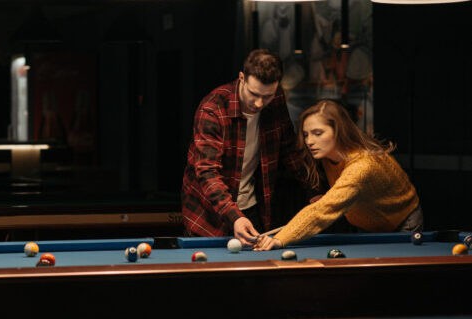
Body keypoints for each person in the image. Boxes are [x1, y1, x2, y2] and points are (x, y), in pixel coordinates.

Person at [254, 99, 423, 251]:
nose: (309, 141)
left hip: (401, 221)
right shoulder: (328, 155)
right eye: (306, 134)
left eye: (318, 133)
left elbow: (322, 210)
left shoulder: (362, 167)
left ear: (339, 131)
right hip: (367, 222)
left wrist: (279, 239)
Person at [181, 49, 305, 247]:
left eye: (267, 96)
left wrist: (315, 190)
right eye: (254, 94)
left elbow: (289, 150)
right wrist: (235, 216)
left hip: (253, 210)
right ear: (242, 78)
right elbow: (207, 171)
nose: (259, 103)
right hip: (208, 217)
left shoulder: (277, 101)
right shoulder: (213, 109)